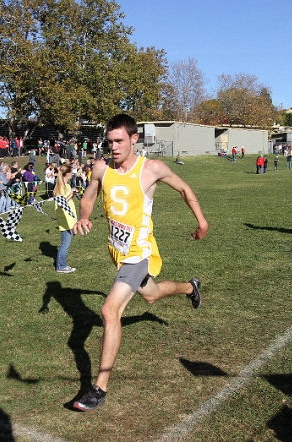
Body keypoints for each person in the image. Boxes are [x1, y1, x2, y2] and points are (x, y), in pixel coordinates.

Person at [72, 114, 208, 411]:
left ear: (134, 139)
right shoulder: (101, 168)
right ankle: (190, 287)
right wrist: (84, 217)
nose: (114, 147)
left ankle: (99, 388)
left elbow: (184, 189)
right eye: (110, 142)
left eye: (119, 141)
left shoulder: (151, 169)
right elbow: (89, 197)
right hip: (118, 252)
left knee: (109, 311)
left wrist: (201, 221)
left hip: (139, 253)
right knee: (151, 295)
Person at [53, 164, 78, 273]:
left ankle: (62, 264)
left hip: (70, 218)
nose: (72, 174)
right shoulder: (60, 187)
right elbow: (60, 204)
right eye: (71, 172)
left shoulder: (66, 186)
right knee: (65, 243)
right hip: (65, 219)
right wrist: (71, 194)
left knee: (66, 242)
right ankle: (61, 266)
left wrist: (71, 191)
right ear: (67, 173)